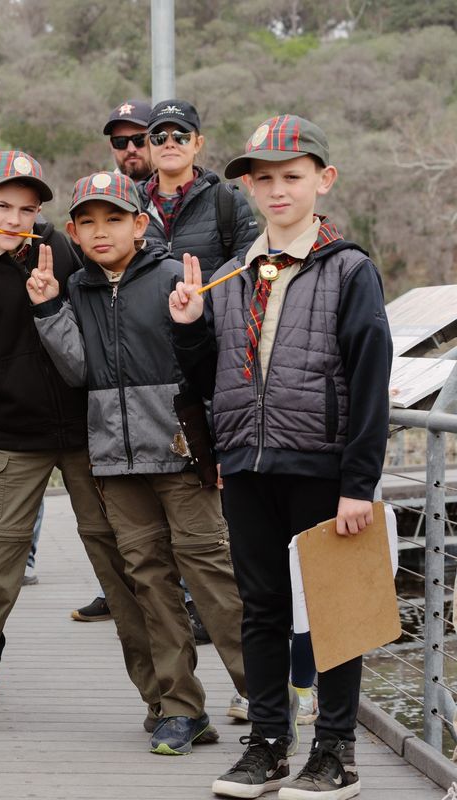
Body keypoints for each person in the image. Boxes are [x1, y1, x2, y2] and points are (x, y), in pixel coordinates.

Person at [0, 151, 162, 740]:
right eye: (4, 206)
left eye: (28, 209)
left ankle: (164, 698)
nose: (15, 218)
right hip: (12, 436)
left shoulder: (60, 251)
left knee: (120, 566)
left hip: (90, 433)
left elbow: (132, 262)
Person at [169, 115, 392, 798]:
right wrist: (187, 332)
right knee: (259, 608)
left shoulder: (351, 268)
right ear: (249, 188)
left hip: (322, 466)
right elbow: (208, 380)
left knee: (335, 611)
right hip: (246, 466)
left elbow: (370, 380)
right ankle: (266, 745)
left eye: (291, 176)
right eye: (262, 179)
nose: (277, 190)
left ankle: (335, 754)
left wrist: (360, 483)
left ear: (323, 180)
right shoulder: (234, 272)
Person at [31, 171, 248, 755]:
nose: (100, 232)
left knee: (212, 576)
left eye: (113, 219)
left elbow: (214, 368)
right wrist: (48, 310)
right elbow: (79, 372)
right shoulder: (75, 287)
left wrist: (221, 444)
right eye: (88, 222)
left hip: (180, 453)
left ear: (140, 223)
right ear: (73, 232)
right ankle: (181, 707)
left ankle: (267, 693)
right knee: (149, 584)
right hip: (116, 461)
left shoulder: (177, 277)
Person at [140, 100, 259, 280]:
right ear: (149, 145)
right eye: (159, 137)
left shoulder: (227, 200)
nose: (169, 144)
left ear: (197, 143)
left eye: (181, 136)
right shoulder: (131, 203)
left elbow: (249, 271)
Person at [104, 100, 154, 182]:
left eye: (139, 139)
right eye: (120, 142)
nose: (131, 149)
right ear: (111, 145)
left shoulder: (177, 190)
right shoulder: (104, 190)